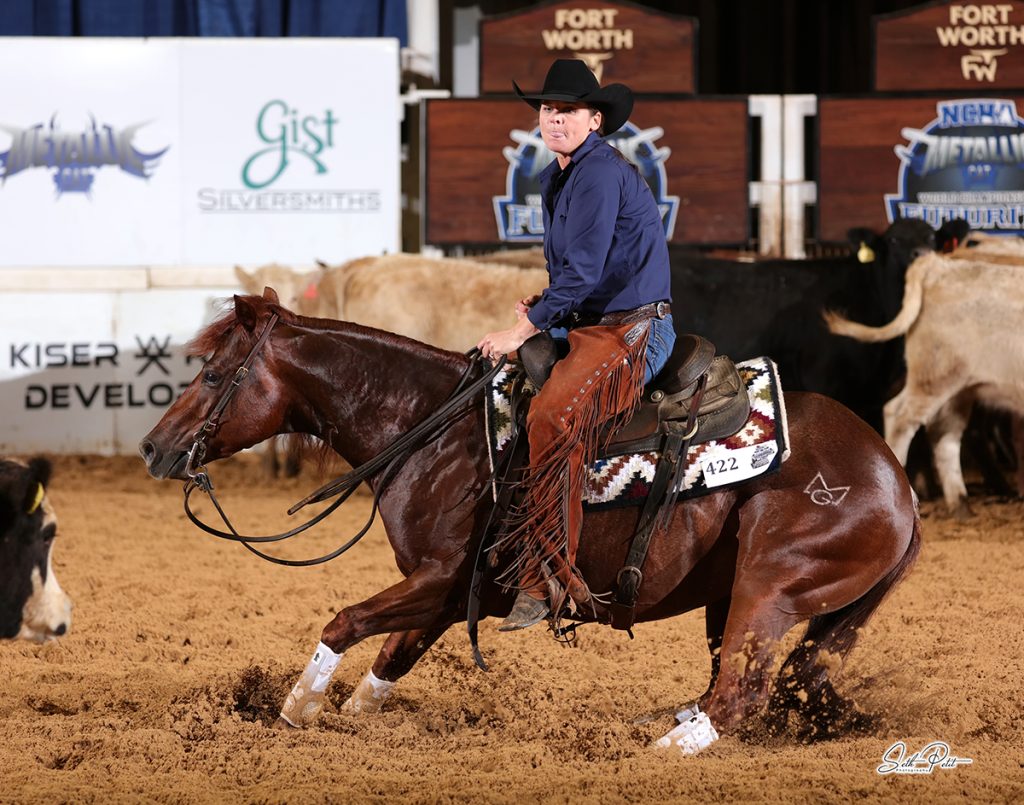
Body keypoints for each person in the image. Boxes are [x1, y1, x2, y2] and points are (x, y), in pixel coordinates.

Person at [477, 59, 676, 631]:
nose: (555, 119)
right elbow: (571, 274)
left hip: (633, 329)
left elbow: (583, 271)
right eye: (547, 109)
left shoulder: (598, 173)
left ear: (594, 119)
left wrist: (525, 327)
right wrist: (542, 310)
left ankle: (550, 579)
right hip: (594, 324)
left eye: (567, 111)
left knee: (552, 417)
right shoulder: (558, 178)